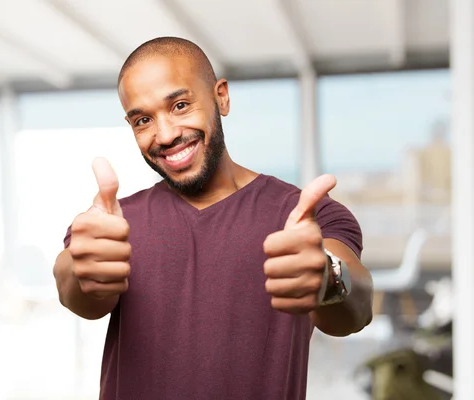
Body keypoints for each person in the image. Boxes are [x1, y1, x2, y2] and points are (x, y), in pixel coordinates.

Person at [53, 36, 373, 400]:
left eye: (180, 105)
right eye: (142, 120)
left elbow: (356, 310)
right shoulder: (111, 224)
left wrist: (328, 278)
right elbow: (75, 291)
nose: (166, 134)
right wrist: (78, 271)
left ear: (221, 97)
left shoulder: (306, 216)